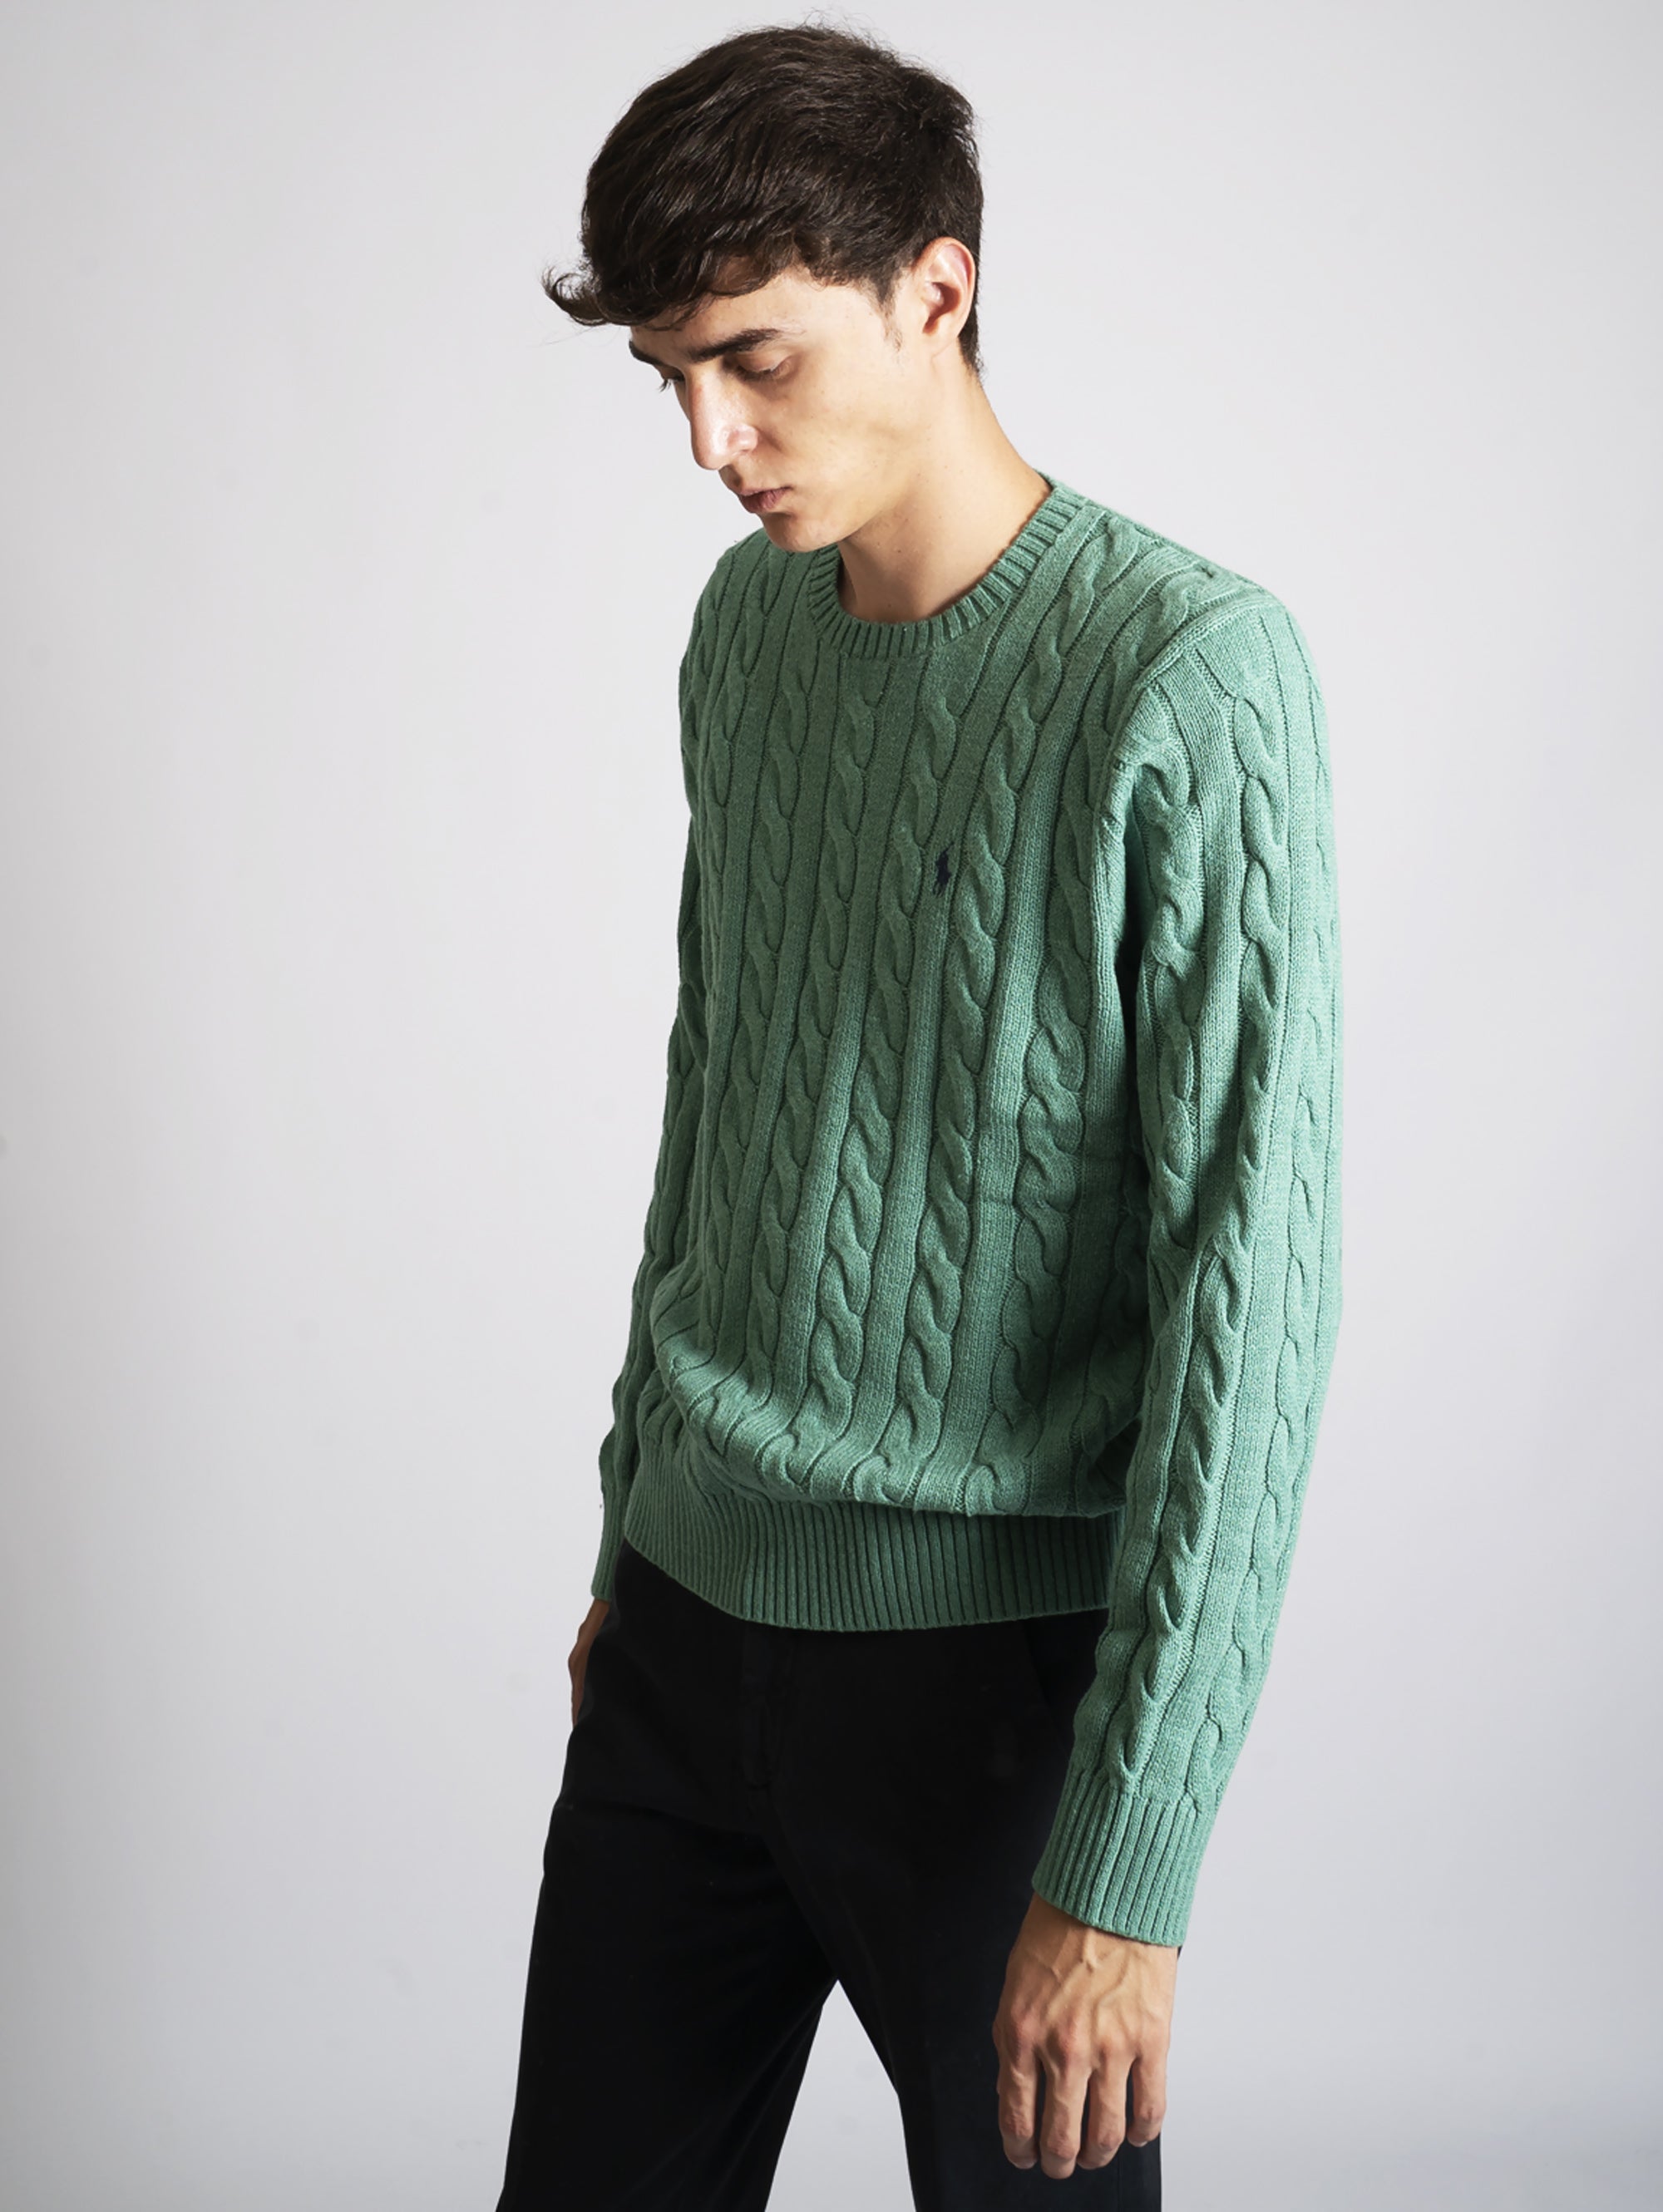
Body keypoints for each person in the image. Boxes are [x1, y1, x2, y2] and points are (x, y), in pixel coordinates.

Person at [493, 22, 1343, 2210]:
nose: (710, 437)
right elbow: (723, 1103)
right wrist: (630, 1529)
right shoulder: (746, 634)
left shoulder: (1187, 671)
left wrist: (1131, 1867)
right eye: (672, 376)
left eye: (755, 359)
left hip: (993, 1703)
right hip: (686, 1632)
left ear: (936, 290)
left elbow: (1251, 1302)